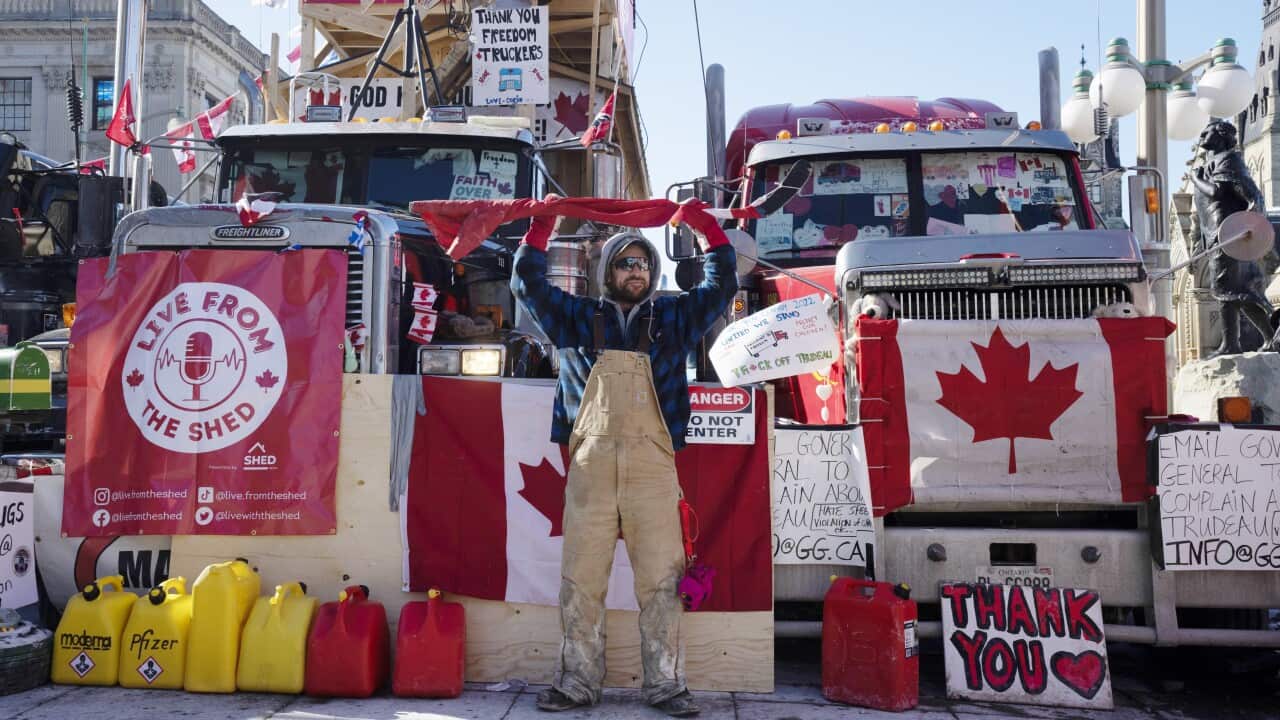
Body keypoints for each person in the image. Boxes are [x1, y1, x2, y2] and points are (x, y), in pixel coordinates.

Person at [510, 199, 737, 718]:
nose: (633, 271)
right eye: (623, 263)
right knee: (581, 579)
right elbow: (526, 284)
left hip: (654, 469)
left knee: (661, 580)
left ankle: (665, 686)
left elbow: (722, 286)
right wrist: (541, 226)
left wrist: (707, 230)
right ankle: (576, 684)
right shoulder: (575, 316)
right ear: (605, 272)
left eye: (641, 263)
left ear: (652, 273)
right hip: (589, 467)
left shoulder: (674, 317)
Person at [1189, 119, 1280, 355]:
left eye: (1207, 131)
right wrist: (1197, 245)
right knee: (1236, 291)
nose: (1202, 135)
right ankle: (1270, 336)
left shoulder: (1228, 160)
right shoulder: (1211, 163)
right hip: (1218, 234)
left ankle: (1232, 343)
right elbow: (1201, 212)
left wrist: (1196, 180)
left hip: (1230, 234)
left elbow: (1218, 192)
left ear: (1220, 136)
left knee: (1228, 289)